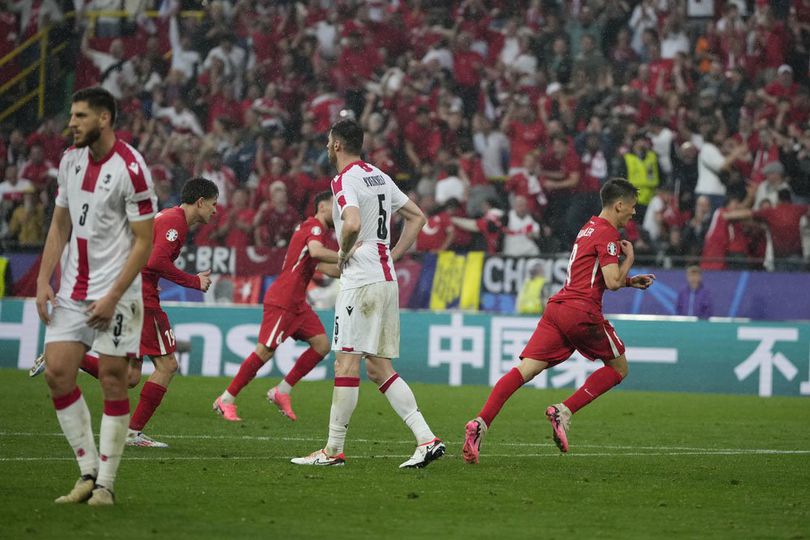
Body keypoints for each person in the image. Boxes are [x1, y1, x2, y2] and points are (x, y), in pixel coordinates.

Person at [462, 178, 655, 463]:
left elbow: (593, 275)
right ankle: (563, 411)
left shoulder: (588, 228)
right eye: (632, 207)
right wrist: (629, 260)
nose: (634, 213)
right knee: (618, 368)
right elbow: (611, 282)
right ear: (619, 205)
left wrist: (629, 281)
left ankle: (480, 424)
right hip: (582, 312)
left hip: (559, 308)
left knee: (524, 370)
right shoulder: (609, 235)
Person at [292, 119, 445, 469]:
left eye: (329, 143)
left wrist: (344, 252)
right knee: (377, 367)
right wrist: (392, 255)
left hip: (360, 280)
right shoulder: (379, 175)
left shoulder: (343, 180)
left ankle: (333, 451)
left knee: (346, 361)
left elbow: (352, 223)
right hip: (385, 278)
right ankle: (427, 440)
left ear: (335, 146)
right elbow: (417, 218)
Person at [30, 178, 218, 447]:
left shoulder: (170, 218)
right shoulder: (175, 222)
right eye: (213, 204)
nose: (215, 210)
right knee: (167, 365)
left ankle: (63, 356)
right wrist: (193, 281)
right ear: (200, 202)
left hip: (133, 292)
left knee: (129, 377)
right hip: (141, 297)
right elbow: (155, 261)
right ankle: (132, 432)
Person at [35, 87, 156, 505]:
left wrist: (113, 295)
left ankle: (105, 483)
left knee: (112, 380)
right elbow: (59, 226)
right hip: (70, 289)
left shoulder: (132, 169)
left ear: (104, 119)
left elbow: (144, 240)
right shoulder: (69, 161)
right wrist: (43, 280)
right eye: (72, 115)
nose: (72, 123)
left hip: (117, 293)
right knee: (57, 372)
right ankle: (86, 471)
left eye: (81, 116)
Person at [213, 190, 340, 422]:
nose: (339, 209)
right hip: (283, 299)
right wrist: (347, 254)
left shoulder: (313, 231)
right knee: (264, 351)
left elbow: (323, 266)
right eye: (335, 204)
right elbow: (317, 252)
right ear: (322, 206)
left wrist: (355, 269)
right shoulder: (314, 227)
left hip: (297, 302)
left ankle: (282, 391)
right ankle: (226, 399)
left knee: (321, 345)